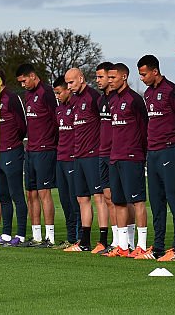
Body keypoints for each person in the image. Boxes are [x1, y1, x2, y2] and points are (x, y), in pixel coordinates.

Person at [137, 54, 175, 261]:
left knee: (174, 200)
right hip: (153, 153)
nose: (141, 78)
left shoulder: (172, 91)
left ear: (155, 71)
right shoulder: (147, 94)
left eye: (144, 74)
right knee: (156, 202)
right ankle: (158, 246)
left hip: (170, 150)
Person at [104, 63, 149, 257]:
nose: (110, 80)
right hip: (115, 157)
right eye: (109, 77)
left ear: (124, 77)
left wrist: (141, 154)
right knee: (119, 202)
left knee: (137, 202)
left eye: (113, 77)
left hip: (132, 157)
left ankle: (142, 245)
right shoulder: (112, 100)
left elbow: (144, 129)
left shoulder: (135, 100)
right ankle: (123, 246)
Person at [0, 67, 29, 246]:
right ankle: (5, 234)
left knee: (16, 193)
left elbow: (22, 125)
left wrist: (12, 142)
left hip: (12, 151)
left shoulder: (11, 99)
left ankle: (20, 234)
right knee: (2, 194)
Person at [17, 63, 58, 248]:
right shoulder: (28, 95)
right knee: (30, 193)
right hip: (31, 150)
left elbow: (57, 119)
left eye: (24, 80)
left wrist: (52, 143)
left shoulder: (47, 92)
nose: (23, 84)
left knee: (44, 193)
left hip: (45, 149)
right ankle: (36, 236)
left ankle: (50, 237)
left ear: (33, 76)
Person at [66, 67, 107, 253]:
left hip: (93, 155)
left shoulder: (94, 97)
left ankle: (104, 241)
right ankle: (84, 241)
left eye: (71, 82)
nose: (69, 86)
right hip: (78, 155)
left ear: (81, 79)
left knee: (99, 197)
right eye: (67, 83)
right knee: (82, 198)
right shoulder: (73, 100)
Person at [96, 62, 120, 253]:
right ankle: (114, 241)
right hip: (102, 153)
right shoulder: (99, 100)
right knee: (107, 197)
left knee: (118, 198)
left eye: (101, 77)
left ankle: (123, 241)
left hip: (117, 154)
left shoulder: (118, 99)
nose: (98, 81)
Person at [55, 76, 81, 249]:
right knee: (64, 200)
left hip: (73, 159)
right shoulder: (58, 110)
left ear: (67, 90)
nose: (57, 96)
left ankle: (80, 238)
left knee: (75, 200)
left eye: (59, 92)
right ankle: (71, 237)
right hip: (60, 159)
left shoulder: (76, 107)